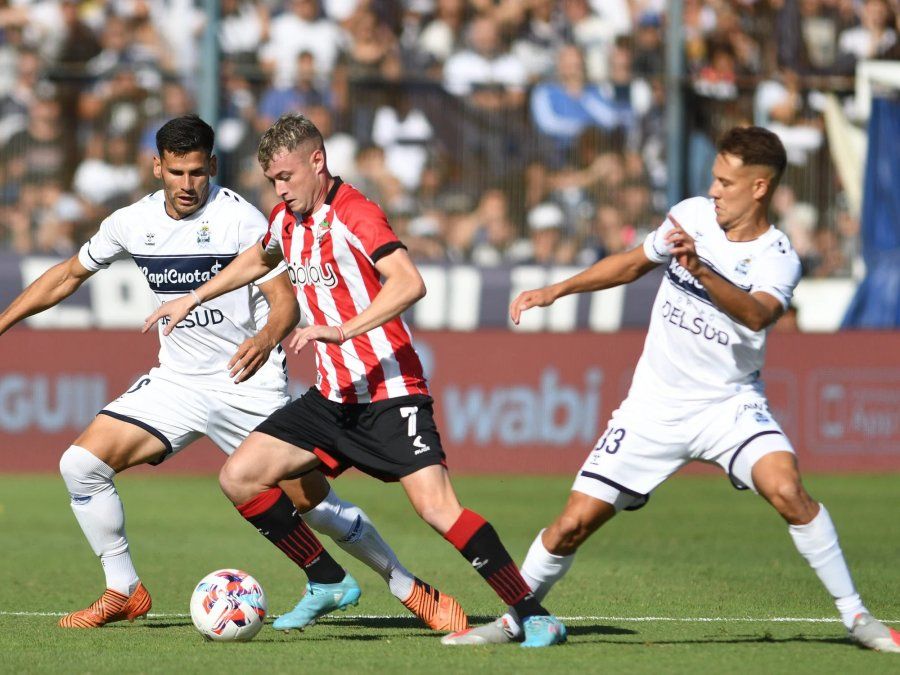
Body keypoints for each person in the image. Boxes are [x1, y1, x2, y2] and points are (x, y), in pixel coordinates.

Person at [0, 115, 467, 634]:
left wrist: (264, 341)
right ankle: (124, 590)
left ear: (213, 167)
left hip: (249, 383)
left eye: (197, 172)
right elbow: (68, 274)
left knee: (313, 505)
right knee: (80, 465)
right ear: (157, 167)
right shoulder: (130, 222)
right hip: (177, 382)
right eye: (176, 172)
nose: (186, 184)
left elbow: (285, 304)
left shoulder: (242, 219)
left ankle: (406, 585)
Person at [442, 126, 900, 653]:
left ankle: (857, 617)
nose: (714, 190)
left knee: (788, 490)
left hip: (728, 405)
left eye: (726, 182)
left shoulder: (778, 257)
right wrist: (557, 289)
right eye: (714, 178)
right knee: (570, 526)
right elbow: (632, 263)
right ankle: (513, 621)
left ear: (759, 187)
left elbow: (757, 315)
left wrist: (701, 270)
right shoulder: (692, 216)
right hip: (652, 409)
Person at [143, 112, 566, 647]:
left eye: (287, 177)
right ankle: (327, 578)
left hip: (390, 394)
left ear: (317, 161)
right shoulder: (286, 221)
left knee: (437, 509)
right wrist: (194, 296)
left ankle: (532, 614)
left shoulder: (356, 213)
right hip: (331, 399)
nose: (280, 189)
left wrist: (343, 330)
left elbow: (409, 283)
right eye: (272, 180)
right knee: (240, 476)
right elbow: (258, 257)